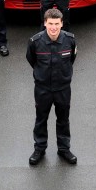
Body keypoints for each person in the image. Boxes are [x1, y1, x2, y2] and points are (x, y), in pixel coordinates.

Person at [26, 8, 78, 165]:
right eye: (50, 24)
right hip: (43, 89)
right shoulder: (35, 42)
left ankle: (64, 149)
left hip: (63, 88)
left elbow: (72, 59)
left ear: (62, 23)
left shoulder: (70, 40)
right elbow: (31, 60)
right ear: (45, 23)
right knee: (41, 119)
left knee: (63, 119)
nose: (53, 27)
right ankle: (39, 149)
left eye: (56, 24)